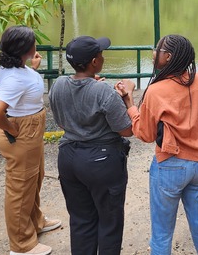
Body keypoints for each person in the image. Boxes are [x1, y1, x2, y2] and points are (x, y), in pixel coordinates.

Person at [120, 34, 198, 255]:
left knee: (162, 233)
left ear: (168, 57)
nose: (153, 54)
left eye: (157, 50)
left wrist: (129, 104)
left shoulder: (156, 91)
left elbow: (146, 134)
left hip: (170, 165)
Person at [48, 36, 133, 255]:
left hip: (68, 158)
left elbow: (60, 121)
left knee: (81, 219)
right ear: (94, 62)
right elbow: (126, 130)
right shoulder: (103, 92)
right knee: (109, 222)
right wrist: (127, 98)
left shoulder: (58, 85)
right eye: (101, 55)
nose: (103, 57)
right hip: (101, 161)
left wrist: (91, 86)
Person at [0, 26, 61, 255]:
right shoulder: (15, 79)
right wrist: (13, 130)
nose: (36, 44)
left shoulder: (14, 67)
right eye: (33, 41)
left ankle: (35, 222)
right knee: (20, 187)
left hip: (31, 131)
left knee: (34, 180)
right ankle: (21, 245)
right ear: (25, 48)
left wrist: (31, 67)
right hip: (22, 132)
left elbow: (21, 80)